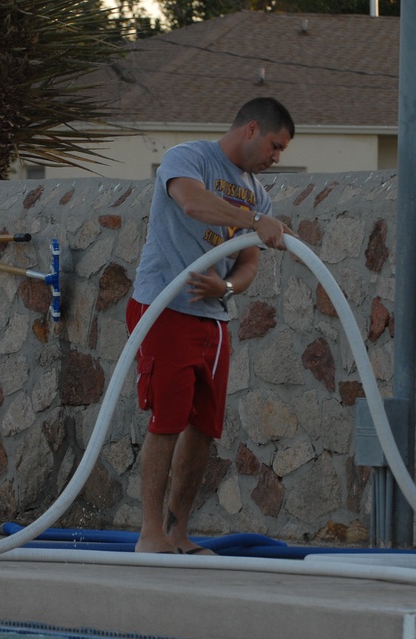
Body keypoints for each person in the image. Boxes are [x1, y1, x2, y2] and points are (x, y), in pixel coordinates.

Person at [127, 97, 295, 554]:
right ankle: (150, 535)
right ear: (252, 129)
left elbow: (247, 264)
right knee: (167, 421)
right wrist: (255, 221)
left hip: (212, 318)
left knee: (202, 428)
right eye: (275, 146)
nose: (277, 157)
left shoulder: (258, 193)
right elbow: (191, 203)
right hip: (164, 308)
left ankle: (178, 533)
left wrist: (227, 289)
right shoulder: (190, 158)